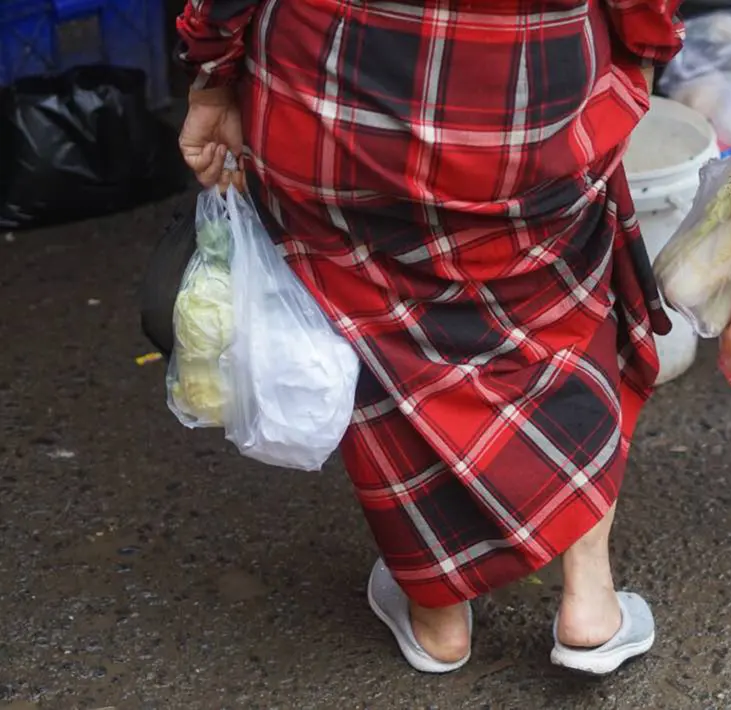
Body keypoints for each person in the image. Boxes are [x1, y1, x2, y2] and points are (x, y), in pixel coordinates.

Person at [175, 0, 682, 674]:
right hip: (531, 97)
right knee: (564, 318)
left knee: (380, 341)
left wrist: (213, 73)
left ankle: (437, 613)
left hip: (330, 99)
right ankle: (588, 600)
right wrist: (646, 49)